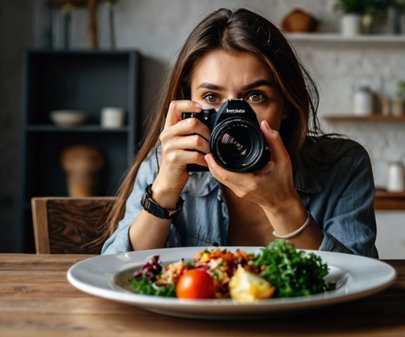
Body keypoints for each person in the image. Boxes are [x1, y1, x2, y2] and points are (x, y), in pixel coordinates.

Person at [101, 8, 378, 257]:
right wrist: (164, 190)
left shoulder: (343, 165)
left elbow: (359, 280)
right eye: (211, 97)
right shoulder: (167, 163)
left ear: (286, 105)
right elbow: (117, 269)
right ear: (188, 105)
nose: (234, 114)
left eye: (256, 96)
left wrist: (282, 205)